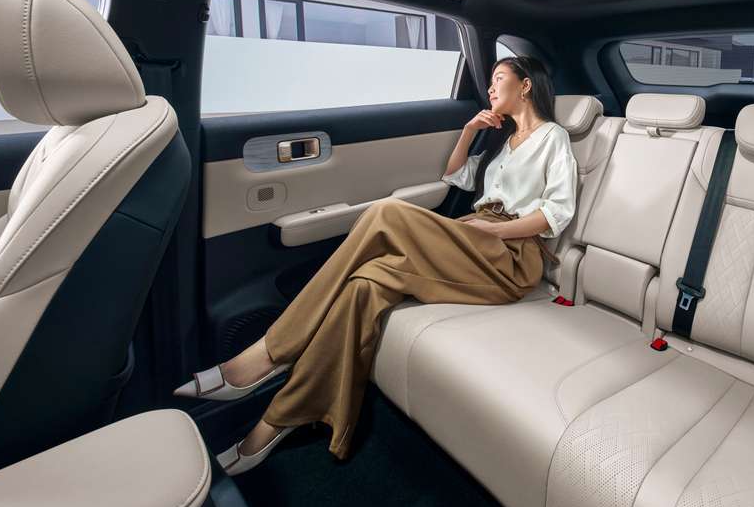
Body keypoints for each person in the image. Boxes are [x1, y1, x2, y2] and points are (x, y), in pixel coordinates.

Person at [175, 56, 578, 474]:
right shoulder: (501, 140)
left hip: (510, 255)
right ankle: (279, 420)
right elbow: (455, 176)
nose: (490, 88)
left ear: (525, 85)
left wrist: (492, 232)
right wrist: (469, 132)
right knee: (365, 283)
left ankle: (270, 351)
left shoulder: (553, 138)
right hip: (472, 237)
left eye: (499, 79)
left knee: (387, 212)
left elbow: (556, 212)